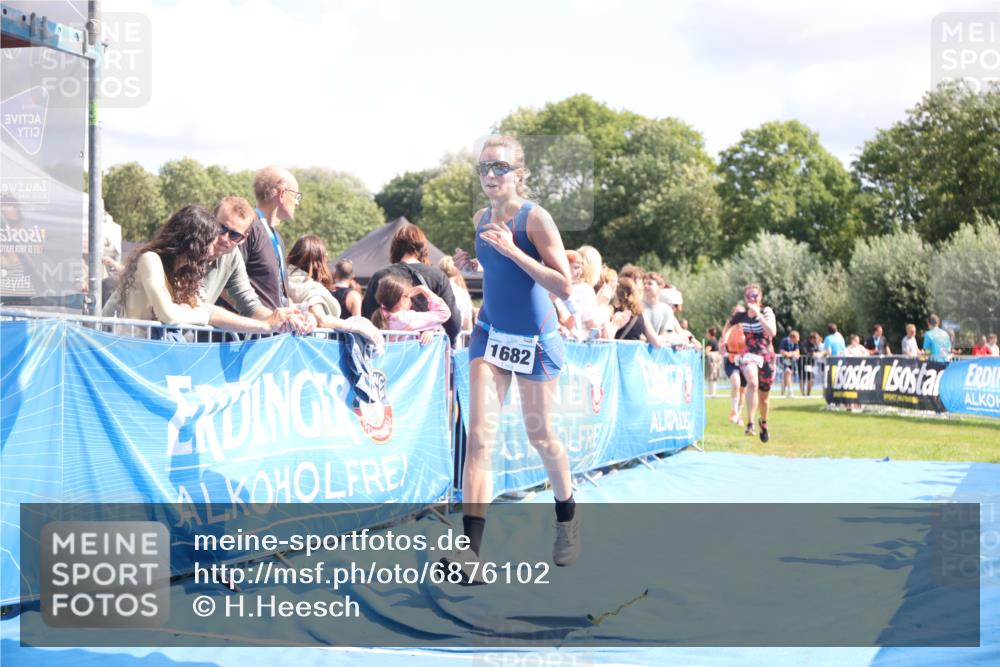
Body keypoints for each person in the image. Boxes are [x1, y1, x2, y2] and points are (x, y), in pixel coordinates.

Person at [449, 135, 578, 580]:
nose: (489, 175)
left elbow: (563, 285)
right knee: (480, 438)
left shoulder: (536, 219)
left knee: (541, 437)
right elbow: (500, 275)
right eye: (484, 167)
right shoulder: (480, 218)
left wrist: (512, 251)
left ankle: (566, 517)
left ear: (519, 173)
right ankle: (471, 554)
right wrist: (477, 266)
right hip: (490, 334)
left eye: (499, 168)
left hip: (536, 341)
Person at [362, 223, 462, 345]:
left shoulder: (380, 276)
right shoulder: (438, 276)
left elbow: (367, 317)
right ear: (422, 248)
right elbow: (453, 323)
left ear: (394, 248)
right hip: (426, 353)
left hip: (387, 352)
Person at [285, 235, 383, 345]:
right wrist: (358, 327)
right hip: (313, 348)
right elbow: (321, 319)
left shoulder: (284, 281)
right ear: (319, 261)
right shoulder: (308, 286)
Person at [722, 284, 777, 442]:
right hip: (749, 354)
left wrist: (759, 314)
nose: (752, 299)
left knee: (764, 399)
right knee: (752, 382)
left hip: (766, 356)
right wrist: (723, 341)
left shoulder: (767, 312)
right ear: (745, 299)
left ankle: (763, 422)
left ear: (760, 297)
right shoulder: (741, 316)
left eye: (755, 296)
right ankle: (750, 423)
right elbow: (728, 325)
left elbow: (772, 332)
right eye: (749, 297)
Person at [370, 274, 451, 345]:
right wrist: (423, 289)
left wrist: (430, 329)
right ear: (402, 299)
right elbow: (443, 313)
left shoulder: (381, 316)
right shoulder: (407, 318)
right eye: (410, 297)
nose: (411, 301)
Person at [604, 277, 664, 347]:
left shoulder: (610, 311)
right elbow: (658, 344)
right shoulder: (641, 315)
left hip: (615, 356)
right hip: (634, 357)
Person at [721, 305, 748, 425]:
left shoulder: (748, 328)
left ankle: (739, 414)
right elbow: (723, 342)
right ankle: (733, 411)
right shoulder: (729, 328)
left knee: (743, 390)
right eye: (736, 314)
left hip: (745, 362)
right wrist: (722, 346)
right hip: (731, 360)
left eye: (741, 314)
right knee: (736, 383)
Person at [641, 272, 684, 346]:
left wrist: (655, 340)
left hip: (657, 353)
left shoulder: (666, 309)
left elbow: (667, 333)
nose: (645, 286)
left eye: (650, 283)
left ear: (660, 287)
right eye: (644, 283)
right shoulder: (637, 306)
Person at [438, 256, 474, 332]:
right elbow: (467, 326)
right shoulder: (463, 294)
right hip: (457, 338)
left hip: (438, 338)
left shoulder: (436, 290)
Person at [778, 330, 800, 398]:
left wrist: (790, 354)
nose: (798, 339)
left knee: (786, 376)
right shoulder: (784, 341)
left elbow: (797, 352)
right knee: (788, 372)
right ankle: (790, 391)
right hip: (784, 360)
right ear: (793, 337)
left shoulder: (795, 343)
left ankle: (782, 393)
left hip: (790, 361)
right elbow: (781, 351)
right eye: (797, 337)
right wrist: (791, 354)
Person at [801, 331, 823, 396]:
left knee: (811, 380)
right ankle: (804, 394)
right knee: (804, 379)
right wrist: (812, 354)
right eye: (816, 339)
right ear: (812, 338)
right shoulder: (805, 343)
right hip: (804, 363)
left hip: (811, 364)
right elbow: (804, 352)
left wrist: (817, 354)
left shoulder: (816, 344)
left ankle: (808, 393)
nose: (817, 340)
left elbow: (818, 352)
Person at [705, 327, 723, 397]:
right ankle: (713, 393)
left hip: (712, 361)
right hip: (716, 361)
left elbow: (707, 350)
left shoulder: (711, 341)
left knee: (712, 377)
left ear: (710, 334)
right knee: (714, 377)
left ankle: (711, 393)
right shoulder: (716, 341)